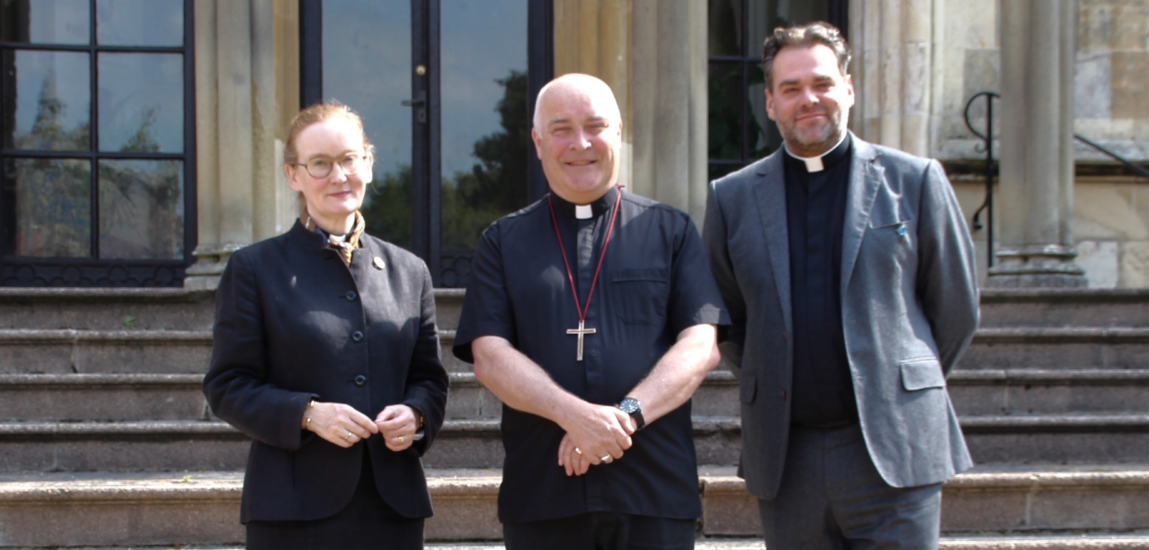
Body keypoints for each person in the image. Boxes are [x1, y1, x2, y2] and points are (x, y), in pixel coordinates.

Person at [702, 22, 979, 549]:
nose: (809, 99)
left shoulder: (914, 181)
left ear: (847, 89)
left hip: (893, 448)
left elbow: (956, 308)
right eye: (791, 88)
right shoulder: (731, 198)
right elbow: (728, 319)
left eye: (822, 83)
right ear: (770, 103)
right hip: (789, 455)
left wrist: (896, 381)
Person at [453, 73, 728, 550]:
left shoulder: (671, 231)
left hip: (653, 489)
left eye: (595, 125)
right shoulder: (503, 241)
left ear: (617, 131)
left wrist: (624, 417)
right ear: (538, 142)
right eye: (561, 128)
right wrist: (573, 416)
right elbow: (489, 355)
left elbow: (700, 346)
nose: (580, 143)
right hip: (543, 492)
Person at [202, 102, 449, 549]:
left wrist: (414, 416)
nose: (339, 176)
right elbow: (227, 386)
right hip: (293, 510)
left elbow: (429, 381)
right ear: (293, 176)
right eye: (320, 164)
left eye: (350, 159)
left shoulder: (410, 271)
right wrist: (308, 414)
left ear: (368, 165)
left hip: (391, 508)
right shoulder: (254, 269)